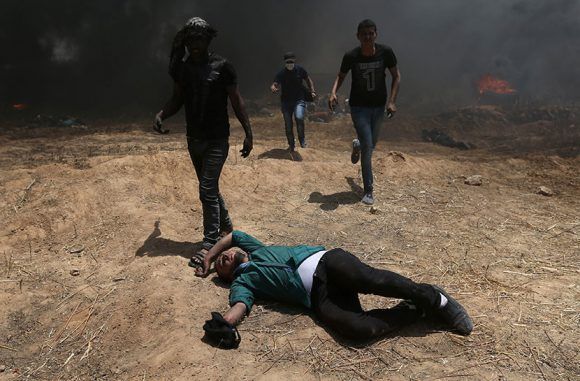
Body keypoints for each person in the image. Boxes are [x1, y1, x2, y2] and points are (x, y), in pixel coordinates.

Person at [196, 231, 473, 342]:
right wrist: (227, 323)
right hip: (318, 296)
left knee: (369, 279)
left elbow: (232, 235)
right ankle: (415, 309)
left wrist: (209, 256)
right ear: (229, 277)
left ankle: (435, 298)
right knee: (358, 330)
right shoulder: (244, 282)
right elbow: (240, 304)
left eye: (226, 253)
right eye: (221, 263)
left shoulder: (255, 249)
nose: (225, 257)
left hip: (324, 262)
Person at [153, 17, 253, 264]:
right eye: (191, 39)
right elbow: (177, 98)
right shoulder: (184, 69)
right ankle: (227, 229)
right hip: (194, 138)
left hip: (217, 139)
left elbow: (237, 102)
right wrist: (162, 114)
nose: (195, 44)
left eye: (200, 38)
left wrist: (248, 133)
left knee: (206, 189)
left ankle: (209, 243)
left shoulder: (223, 67)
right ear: (186, 43)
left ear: (208, 40)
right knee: (210, 189)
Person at [328, 19, 401, 205]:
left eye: (371, 33)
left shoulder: (386, 52)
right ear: (358, 36)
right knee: (369, 147)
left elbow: (396, 76)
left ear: (376, 34)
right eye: (364, 34)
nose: (368, 37)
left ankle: (358, 145)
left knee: (370, 144)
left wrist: (392, 101)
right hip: (358, 107)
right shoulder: (351, 56)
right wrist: (333, 92)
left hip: (378, 106)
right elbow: (340, 75)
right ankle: (368, 190)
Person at [270, 52, 316, 151]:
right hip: (286, 102)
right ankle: (291, 144)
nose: (290, 63)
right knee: (288, 124)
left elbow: (308, 80)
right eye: (288, 62)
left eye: (291, 61)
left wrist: (312, 91)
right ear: (285, 62)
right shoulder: (281, 73)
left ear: (294, 61)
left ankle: (302, 140)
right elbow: (275, 83)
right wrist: (273, 88)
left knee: (299, 117)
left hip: (299, 100)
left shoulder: (300, 70)